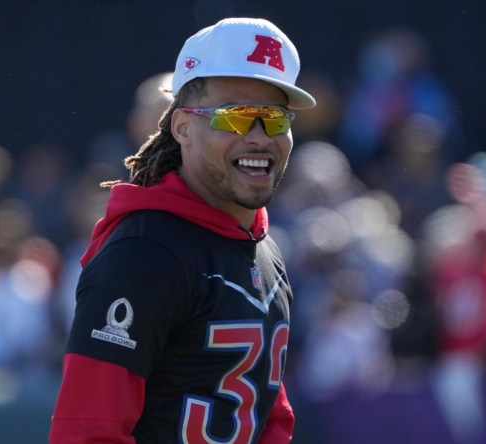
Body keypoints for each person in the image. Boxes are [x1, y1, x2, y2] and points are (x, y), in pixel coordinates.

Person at [49, 17, 316, 443]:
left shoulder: (263, 248)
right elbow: (86, 432)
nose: (260, 137)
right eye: (236, 117)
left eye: (275, 118)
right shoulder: (144, 253)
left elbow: (270, 420)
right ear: (182, 127)